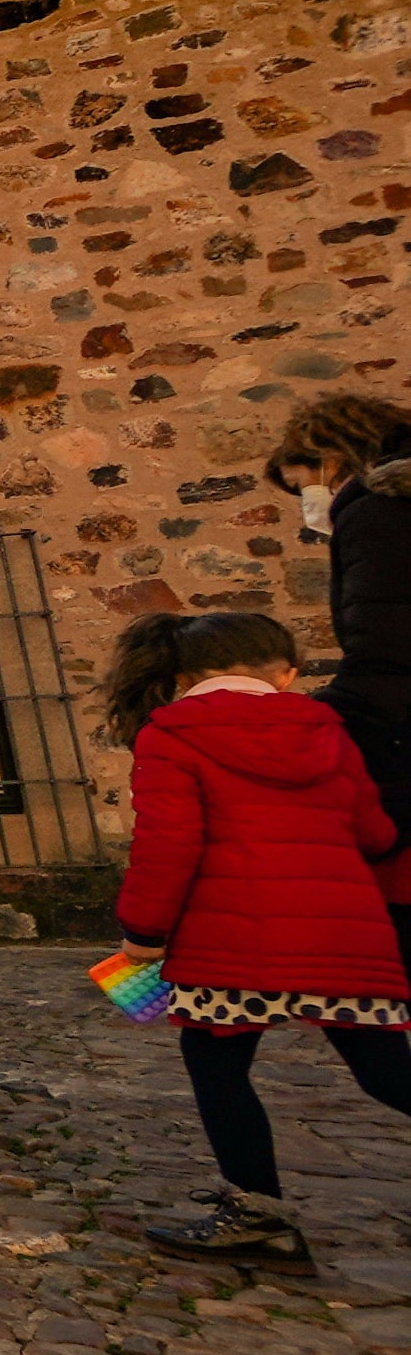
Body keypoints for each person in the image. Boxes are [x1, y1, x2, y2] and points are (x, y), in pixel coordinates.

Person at [104, 609, 411, 1273]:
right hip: (343, 934)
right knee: (388, 1074)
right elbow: (374, 834)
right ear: (290, 672)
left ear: (180, 677)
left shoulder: (172, 733)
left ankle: (259, 1217)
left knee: (218, 1068)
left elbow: (168, 843)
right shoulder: (327, 729)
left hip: (230, 942)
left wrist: (143, 934)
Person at [268, 392, 411, 959]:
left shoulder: (379, 509)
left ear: (333, 458)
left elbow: (386, 637)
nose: (310, 500)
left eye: (305, 482)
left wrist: (326, 715)